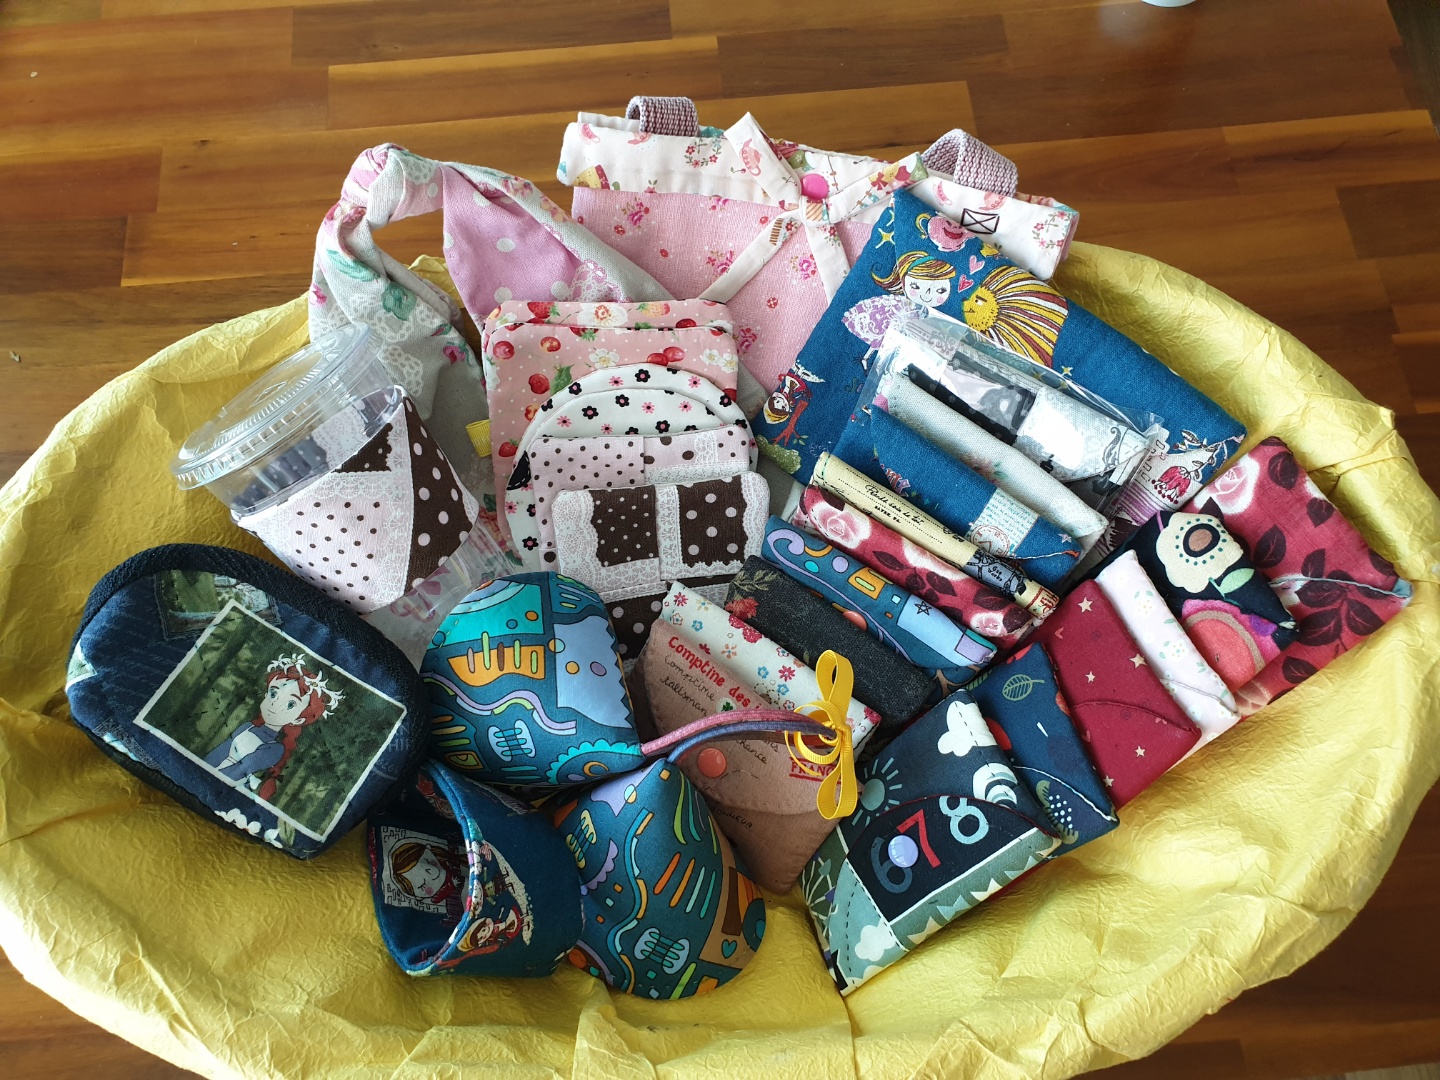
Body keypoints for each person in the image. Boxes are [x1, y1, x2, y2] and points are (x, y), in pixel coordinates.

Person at [203, 653, 341, 800]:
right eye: (273, 693)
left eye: (290, 704)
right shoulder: (247, 726)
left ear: (298, 720)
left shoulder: (275, 749)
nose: (274, 703)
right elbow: (219, 752)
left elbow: (242, 770)